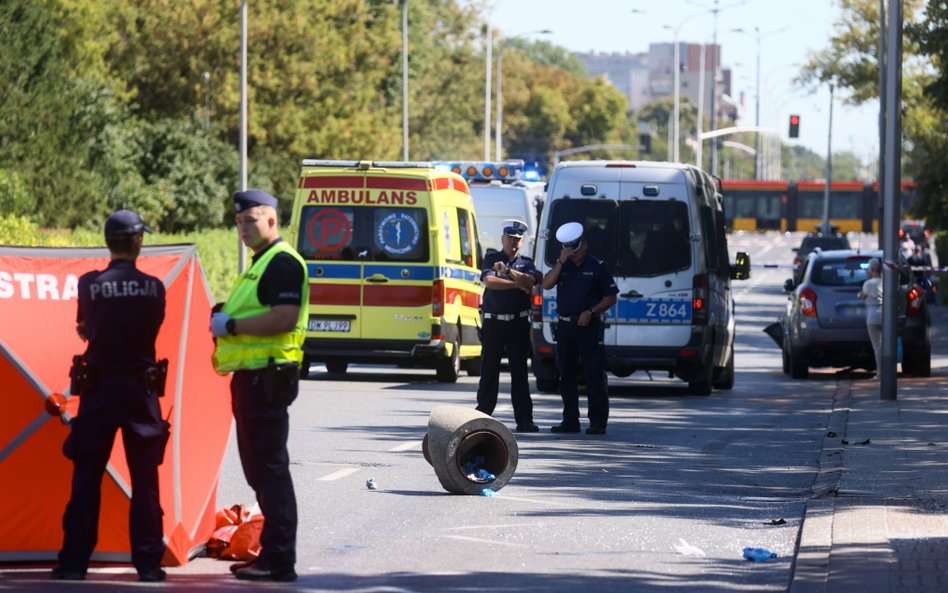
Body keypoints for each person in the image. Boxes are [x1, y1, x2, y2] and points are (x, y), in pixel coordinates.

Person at [53, 210, 168, 582]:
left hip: (98, 391)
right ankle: (149, 565)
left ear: (108, 243)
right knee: (145, 481)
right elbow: (151, 327)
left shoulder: (89, 284)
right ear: (138, 243)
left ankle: (73, 564)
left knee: (86, 477)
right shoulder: (155, 287)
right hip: (141, 391)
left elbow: (85, 327)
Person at [211, 190, 309, 582]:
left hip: (267, 377)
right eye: (238, 222)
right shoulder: (261, 263)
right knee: (261, 472)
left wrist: (231, 325)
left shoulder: (282, 262)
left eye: (250, 220)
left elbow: (283, 318)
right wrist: (227, 313)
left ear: (271, 219)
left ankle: (279, 560)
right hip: (254, 378)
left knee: (270, 472)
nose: (243, 228)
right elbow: (260, 310)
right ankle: (271, 554)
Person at [540, 222, 618, 435]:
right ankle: (570, 420)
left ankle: (597, 422)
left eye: (574, 249)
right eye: (568, 250)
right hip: (565, 326)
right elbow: (546, 285)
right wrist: (560, 261)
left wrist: (592, 312)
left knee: (593, 374)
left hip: (588, 326)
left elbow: (610, 297)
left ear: (584, 245)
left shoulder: (597, 266)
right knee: (566, 374)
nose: (572, 254)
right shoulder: (562, 265)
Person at [475, 219, 541, 432]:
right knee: (489, 369)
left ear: (521, 242)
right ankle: (483, 415)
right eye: (509, 238)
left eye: (517, 240)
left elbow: (531, 283)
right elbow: (490, 282)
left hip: (518, 322)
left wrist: (510, 273)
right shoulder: (491, 258)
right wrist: (517, 284)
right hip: (494, 322)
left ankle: (524, 418)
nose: (513, 243)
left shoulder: (526, 262)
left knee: (519, 371)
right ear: (502, 239)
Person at [858, 258, 884, 378]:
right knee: (886, 344)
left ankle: (880, 372)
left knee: (877, 346)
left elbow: (862, 296)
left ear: (872, 270)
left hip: (873, 317)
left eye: (869, 269)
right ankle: (889, 369)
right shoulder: (885, 282)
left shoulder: (868, 284)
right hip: (885, 316)